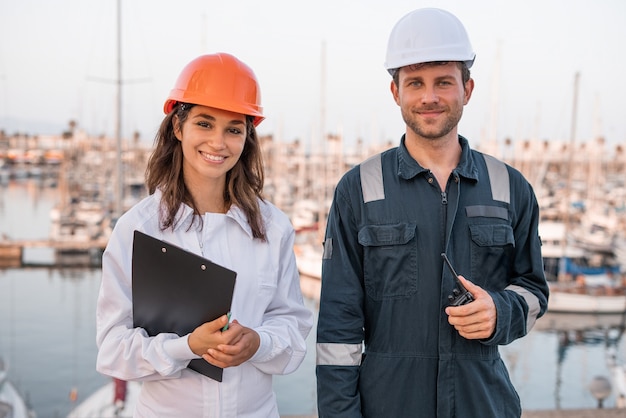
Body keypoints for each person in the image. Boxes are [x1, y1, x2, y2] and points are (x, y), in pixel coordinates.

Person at [316, 8, 549, 418]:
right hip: (388, 405)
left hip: (484, 403)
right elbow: (338, 326)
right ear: (396, 92)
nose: (429, 97)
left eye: (444, 82)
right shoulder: (359, 189)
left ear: (468, 89)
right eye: (415, 84)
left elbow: (533, 289)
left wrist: (500, 310)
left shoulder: (511, 188)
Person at [96, 52, 313, 417]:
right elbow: (113, 350)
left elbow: (293, 328)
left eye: (234, 129)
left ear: (247, 138)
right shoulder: (137, 230)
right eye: (205, 123)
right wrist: (187, 348)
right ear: (178, 127)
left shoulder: (274, 228)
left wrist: (258, 343)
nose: (218, 142)